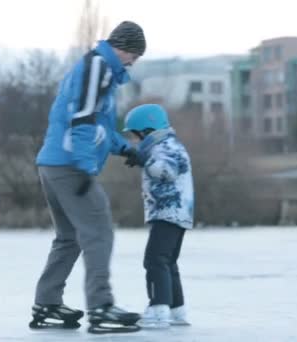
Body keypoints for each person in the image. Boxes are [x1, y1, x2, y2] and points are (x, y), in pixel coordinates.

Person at [30, 21, 146, 334]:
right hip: (69, 165)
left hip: (52, 163)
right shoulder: (99, 67)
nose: (133, 63)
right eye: (134, 55)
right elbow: (81, 119)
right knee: (98, 231)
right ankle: (101, 308)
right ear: (123, 48)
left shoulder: (95, 69)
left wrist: (126, 150)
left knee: (69, 238)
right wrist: (84, 166)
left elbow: (100, 129)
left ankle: (47, 303)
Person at [122, 104, 194, 329]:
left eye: (135, 135)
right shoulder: (168, 144)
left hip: (169, 211)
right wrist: (143, 157)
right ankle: (176, 311)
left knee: (154, 260)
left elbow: (167, 171)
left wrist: (144, 160)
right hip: (175, 212)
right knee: (168, 262)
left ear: (146, 130)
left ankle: (158, 309)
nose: (135, 140)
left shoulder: (166, 146)